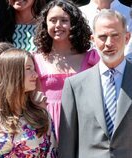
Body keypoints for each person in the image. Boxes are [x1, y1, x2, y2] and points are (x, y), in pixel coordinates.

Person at [58, 9, 132, 158]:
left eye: (115, 35)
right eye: (103, 37)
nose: (109, 43)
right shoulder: (75, 86)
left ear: (127, 37)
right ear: (93, 39)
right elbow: (67, 144)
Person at [33, 0, 100, 141]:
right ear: (45, 24)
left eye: (64, 20)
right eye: (52, 20)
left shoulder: (91, 58)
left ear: (74, 24)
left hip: (82, 126)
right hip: (46, 127)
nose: (58, 25)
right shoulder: (35, 60)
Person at [0, 48, 57, 157]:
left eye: (34, 69)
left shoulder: (41, 116)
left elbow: (51, 153)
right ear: (11, 74)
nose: (35, 75)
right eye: (28, 69)